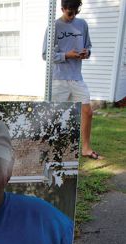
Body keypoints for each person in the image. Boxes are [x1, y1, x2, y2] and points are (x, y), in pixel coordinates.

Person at [42, 0, 102, 160]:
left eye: (76, 12)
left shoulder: (82, 24)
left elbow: (88, 46)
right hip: (58, 79)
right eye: (70, 13)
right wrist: (66, 55)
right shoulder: (53, 27)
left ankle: (86, 148)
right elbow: (45, 55)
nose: (73, 16)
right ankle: (51, 148)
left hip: (76, 77)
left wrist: (86, 53)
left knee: (87, 112)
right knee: (55, 115)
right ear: (62, 9)